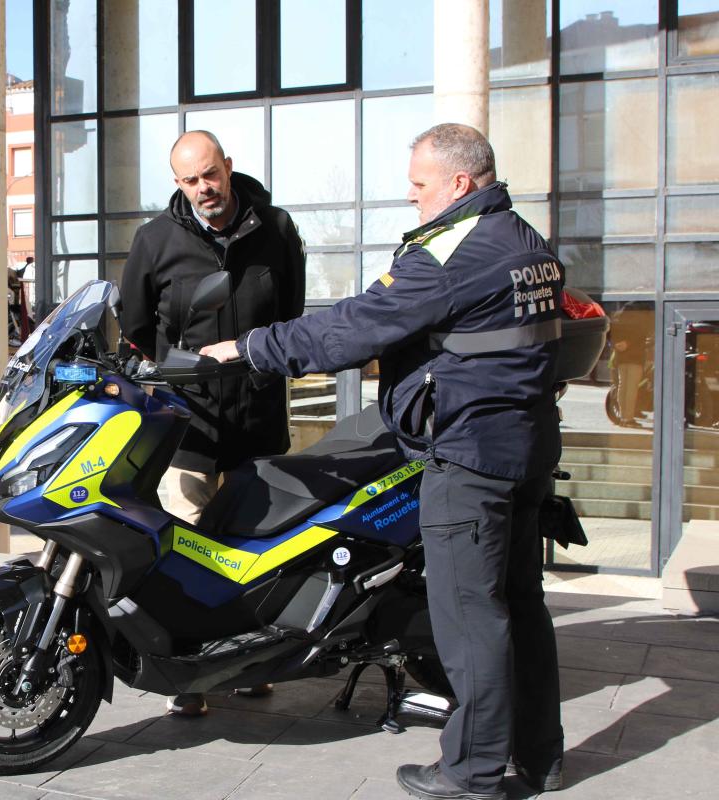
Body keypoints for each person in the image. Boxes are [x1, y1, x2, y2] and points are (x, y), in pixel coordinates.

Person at [202, 124, 565, 800]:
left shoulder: (450, 251)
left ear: (460, 182)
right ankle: (539, 757)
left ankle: (473, 773)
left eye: (421, 184)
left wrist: (250, 348)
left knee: (471, 618)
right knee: (521, 605)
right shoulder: (528, 244)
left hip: (467, 457)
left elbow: (353, 327)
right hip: (528, 448)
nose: (412, 196)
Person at [119, 130, 305, 717]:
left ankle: (254, 664)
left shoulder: (277, 229)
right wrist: (177, 371)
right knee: (186, 545)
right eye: (190, 180)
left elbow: (292, 315)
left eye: (211, 174)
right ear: (177, 183)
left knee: (258, 546)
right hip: (188, 422)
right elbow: (135, 323)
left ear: (228, 166)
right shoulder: (154, 240)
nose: (204, 188)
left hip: (259, 417)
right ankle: (190, 677)